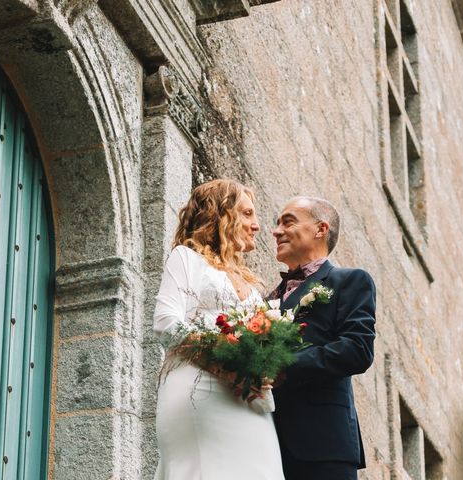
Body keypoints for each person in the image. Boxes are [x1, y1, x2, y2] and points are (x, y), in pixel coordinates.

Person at [153, 179, 285, 480]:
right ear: (220, 214)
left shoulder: (252, 284)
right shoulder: (186, 259)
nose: (257, 226)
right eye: (247, 214)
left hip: (249, 399)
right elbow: (166, 322)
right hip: (200, 393)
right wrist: (226, 363)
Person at [270, 196, 377, 480]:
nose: (276, 231)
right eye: (276, 224)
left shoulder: (351, 281)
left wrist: (285, 365)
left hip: (322, 444)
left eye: (288, 222)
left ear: (321, 229)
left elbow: (357, 349)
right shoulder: (266, 298)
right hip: (267, 445)